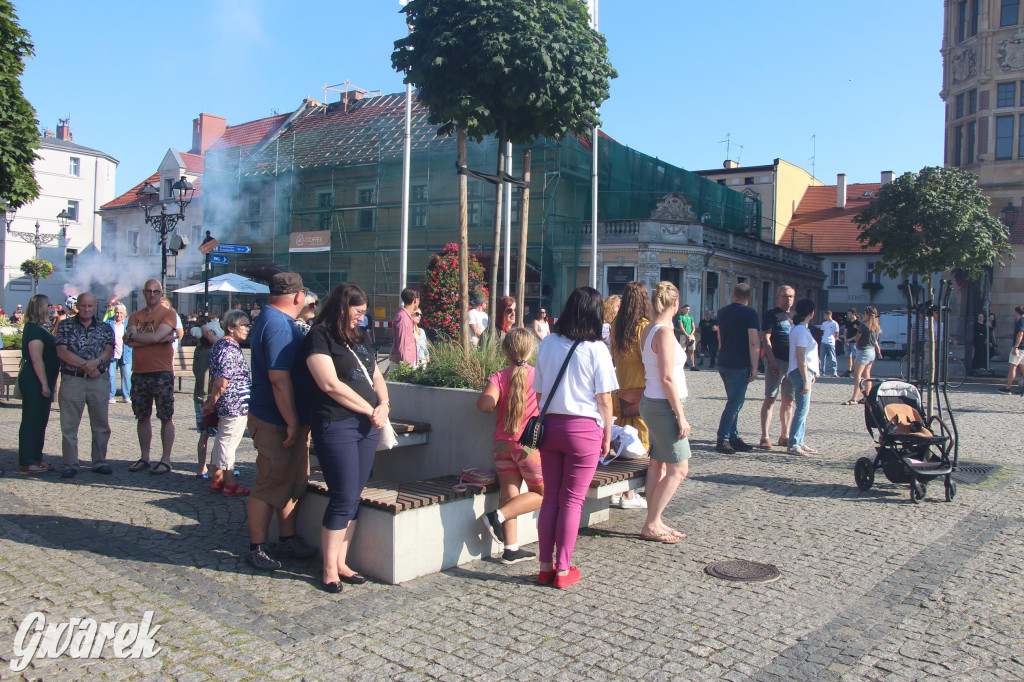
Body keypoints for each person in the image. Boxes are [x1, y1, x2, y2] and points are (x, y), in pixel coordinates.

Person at [301, 282, 388, 591]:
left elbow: (376, 375)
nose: (361, 318)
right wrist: (369, 408)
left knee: (355, 495)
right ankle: (328, 567)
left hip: (366, 426)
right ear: (341, 307)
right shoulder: (318, 337)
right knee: (342, 495)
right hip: (336, 424)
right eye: (358, 312)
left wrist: (385, 405)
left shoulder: (361, 338)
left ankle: (341, 561)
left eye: (364, 313)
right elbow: (329, 384)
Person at [533, 286, 618, 589]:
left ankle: (545, 567)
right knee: (572, 501)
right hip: (583, 431)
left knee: (551, 498)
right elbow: (605, 400)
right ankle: (564, 570)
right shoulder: (597, 350)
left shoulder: (548, 343)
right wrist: (607, 435)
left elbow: (539, 391)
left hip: (550, 428)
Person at [246, 272, 317, 571]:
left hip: (284, 418)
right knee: (269, 482)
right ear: (299, 297)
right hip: (276, 419)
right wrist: (291, 421)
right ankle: (257, 547)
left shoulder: (273, 318)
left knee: (290, 481)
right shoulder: (278, 325)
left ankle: (287, 540)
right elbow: (278, 379)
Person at [477, 328, 543, 565]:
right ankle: (496, 516)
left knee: (509, 494)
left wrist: (491, 397)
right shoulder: (538, 375)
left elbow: (485, 405)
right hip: (527, 446)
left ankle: (511, 549)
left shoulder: (498, 376)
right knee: (545, 494)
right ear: (531, 349)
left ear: (505, 351)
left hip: (502, 444)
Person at [638, 282, 692, 544]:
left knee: (657, 463)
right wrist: (680, 415)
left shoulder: (649, 329)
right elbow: (668, 377)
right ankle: (651, 522)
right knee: (679, 469)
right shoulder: (664, 334)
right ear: (675, 304)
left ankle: (655, 519)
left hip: (652, 401)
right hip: (664, 405)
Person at [55, 292, 115, 478]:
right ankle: (70, 463)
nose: (86, 309)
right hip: (73, 380)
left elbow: (109, 350)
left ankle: (99, 461)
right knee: (69, 424)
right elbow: (61, 351)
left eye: (90, 306)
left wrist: (96, 363)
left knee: (100, 424)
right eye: (83, 306)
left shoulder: (104, 327)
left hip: (98, 380)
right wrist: (86, 366)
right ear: (77, 306)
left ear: (95, 307)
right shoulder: (65, 326)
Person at [125, 280, 179, 475]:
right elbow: (128, 340)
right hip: (139, 372)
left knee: (166, 416)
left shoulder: (168, 314)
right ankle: (145, 456)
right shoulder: (135, 316)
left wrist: (139, 338)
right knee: (142, 415)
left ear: (161, 292)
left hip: (162, 372)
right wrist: (155, 339)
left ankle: (166, 459)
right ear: (144, 293)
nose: (152, 294)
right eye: (148, 291)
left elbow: (141, 338)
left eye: (156, 291)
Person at [609, 282, 650, 510]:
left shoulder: (616, 325)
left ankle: (619, 490)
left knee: (623, 443)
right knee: (639, 444)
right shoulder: (643, 327)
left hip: (620, 388)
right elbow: (647, 361)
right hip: (639, 391)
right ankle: (629, 494)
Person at [203, 310, 252, 496]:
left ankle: (217, 478)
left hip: (230, 401)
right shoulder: (229, 348)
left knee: (222, 439)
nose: (247, 329)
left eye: (248, 325)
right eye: (243, 325)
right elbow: (221, 380)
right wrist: (212, 402)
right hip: (234, 403)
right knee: (228, 442)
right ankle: (229, 482)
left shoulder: (219, 345)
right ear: (231, 328)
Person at [714, 283, 760, 454]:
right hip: (739, 363)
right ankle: (723, 438)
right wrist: (755, 367)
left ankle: (733, 436)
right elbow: (753, 341)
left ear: (734, 294)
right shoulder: (750, 314)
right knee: (735, 402)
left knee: (734, 400)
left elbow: (720, 337)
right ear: (749, 296)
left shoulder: (723, 312)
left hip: (725, 360)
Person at [18, 295, 59, 474]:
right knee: (31, 420)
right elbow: (36, 359)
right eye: (48, 306)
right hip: (35, 380)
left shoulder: (40, 328)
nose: (51, 309)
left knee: (41, 420)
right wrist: (44, 384)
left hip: (43, 379)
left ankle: (36, 456)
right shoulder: (34, 330)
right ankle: (27, 461)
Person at [759, 285, 795, 451]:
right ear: (778, 297)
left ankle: (785, 435)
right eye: (785, 296)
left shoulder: (796, 316)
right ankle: (765, 436)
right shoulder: (772, 314)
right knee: (770, 398)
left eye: (791, 296)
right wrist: (771, 359)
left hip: (792, 363)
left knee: (788, 400)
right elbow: (766, 338)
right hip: (777, 359)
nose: (788, 300)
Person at [787, 299, 820, 455]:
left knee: (804, 409)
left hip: (804, 371)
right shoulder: (800, 330)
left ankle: (799, 440)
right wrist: (806, 378)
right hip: (800, 372)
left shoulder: (800, 329)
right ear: (811, 313)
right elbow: (801, 357)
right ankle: (793, 443)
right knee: (801, 408)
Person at [845, 306, 883, 405]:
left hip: (863, 351)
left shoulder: (864, 325)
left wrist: (856, 333)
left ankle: (854, 397)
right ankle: (868, 396)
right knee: (867, 375)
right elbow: (875, 339)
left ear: (867, 314)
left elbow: (858, 338)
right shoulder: (877, 326)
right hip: (871, 351)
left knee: (857, 375)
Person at [192, 327, 217, 478]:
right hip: (208, 397)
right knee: (219, 435)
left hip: (198, 397)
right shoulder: (210, 353)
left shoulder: (198, 351)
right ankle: (216, 467)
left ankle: (201, 468)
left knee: (204, 435)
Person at [107, 304, 132, 403]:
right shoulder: (108, 322)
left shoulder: (128, 323)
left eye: (121, 313)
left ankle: (126, 396)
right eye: (117, 312)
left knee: (126, 375)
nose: (118, 315)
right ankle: (110, 396)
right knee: (111, 374)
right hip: (113, 353)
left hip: (126, 352)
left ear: (124, 314)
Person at [389, 287, 419, 368]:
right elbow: (403, 344)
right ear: (415, 300)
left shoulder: (406, 316)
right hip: (405, 364)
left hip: (408, 362)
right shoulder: (403, 318)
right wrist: (405, 368)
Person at [1000, 306, 1024, 393]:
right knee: (1022, 367)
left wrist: (1016, 346)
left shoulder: (1021, 321)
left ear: (1017, 312)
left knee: (1012, 367)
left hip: (1019, 347)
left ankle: (1008, 388)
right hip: (1023, 348)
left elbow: (1020, 334)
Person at [674, 303, 698, 370]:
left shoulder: (690, 317)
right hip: (683, 335)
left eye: (688, 309)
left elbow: (693, 327)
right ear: (683, 309)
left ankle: (693, 365)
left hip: (690, 335)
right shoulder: (680, 317)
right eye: (686, 309)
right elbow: (681, 327)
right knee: (683, 350)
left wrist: (690, 335)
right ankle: (682, 364)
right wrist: (687, 335)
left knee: (692, 350)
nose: (687, 310)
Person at [818, 310, 840, 378]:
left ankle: (834, 371)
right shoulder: (824, 323)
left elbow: (837, 333)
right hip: (824, 341)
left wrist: (834, 340)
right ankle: (822, 371)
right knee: (822, 357)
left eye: (825, 315)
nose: (824, 317)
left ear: (828, 315)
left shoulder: (835, 323)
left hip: (831, 342)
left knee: (832, 357)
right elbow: (823, 331)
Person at [841, 309, 859, 378]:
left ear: (853, 314)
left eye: (849, 313)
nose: (848, 315)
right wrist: (846, 340)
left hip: (854, 342)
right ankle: (849, 370)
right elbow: (845, 331)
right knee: (848, 356)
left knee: (855, 357)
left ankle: (855, 370)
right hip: (847, 341)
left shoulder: (858, 323)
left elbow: (858, 334)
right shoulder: (848, 322)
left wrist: (850, 339)